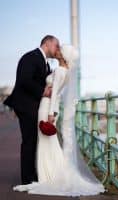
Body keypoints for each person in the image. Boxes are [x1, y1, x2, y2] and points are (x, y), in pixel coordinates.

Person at [12, 44, 105, 196]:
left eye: (60, 50)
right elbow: (58, 94)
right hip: (51, 107)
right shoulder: (66, 72)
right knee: (50, 142)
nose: (58, 51)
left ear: (64, 56)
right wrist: (55, 112)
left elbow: (55, 93)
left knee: (45, 142)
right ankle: (51, 173)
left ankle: (48, 176)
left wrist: (50, 114)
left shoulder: (59, 70)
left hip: (46, 107)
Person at [3, 35, 57, 184]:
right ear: (47, 44)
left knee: (33, 140)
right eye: (56, 45)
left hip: (32, 106)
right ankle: (27, 179)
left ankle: (32, 175)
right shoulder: (30, 57)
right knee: (29, 141)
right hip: (25, 105)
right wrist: (43, 91)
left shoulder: (45, 62)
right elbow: (24, 79)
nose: (57, 49)